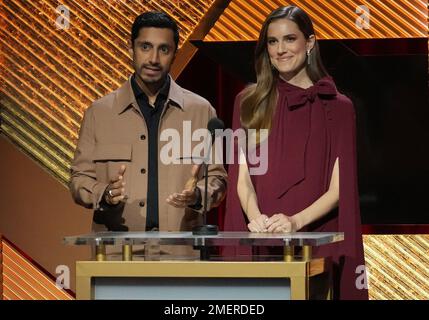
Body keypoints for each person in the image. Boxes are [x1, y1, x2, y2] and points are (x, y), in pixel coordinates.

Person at [224, 6, 368, 300]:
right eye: (272, 42)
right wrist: (257, 219)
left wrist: (294, 223)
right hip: (261, 240)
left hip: (315, 240)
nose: (280, 50)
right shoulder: (247, 102)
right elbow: (242, 178)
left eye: (289, 39)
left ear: (310, 42)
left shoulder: (339, 107)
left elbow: (340, 189)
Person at [70, 12, 227, 253]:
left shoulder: (201, 111)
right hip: (117, 257)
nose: (153, 58)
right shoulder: (98, 112)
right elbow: (79, 179)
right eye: (145, 47)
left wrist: (197, 195)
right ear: (132, 49)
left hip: (182, 256)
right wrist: (105, 193)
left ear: (174, 53)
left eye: (164, 49)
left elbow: (217, 179)